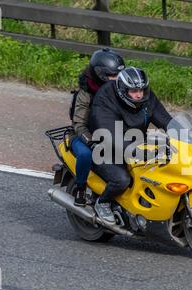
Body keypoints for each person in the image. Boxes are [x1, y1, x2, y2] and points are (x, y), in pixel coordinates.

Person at [89, 67, 172, 224]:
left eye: (141, 89)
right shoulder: (105, 98)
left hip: (135, 144)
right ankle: (103, 203)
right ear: (123, 89)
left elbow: (165, 119)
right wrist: (135, 151)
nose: (139, 94)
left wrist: (187, 135)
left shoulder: (145, 98)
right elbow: (109, 134)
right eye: (133, 91)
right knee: (122, 180)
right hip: (104, 148)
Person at [68, 48, 125, 206]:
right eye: (112, 75)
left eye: (118, 75)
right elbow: (78, 124)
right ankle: (80, 188)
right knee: (86, 155)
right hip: (84, 135)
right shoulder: (86, 93)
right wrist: (92, 142)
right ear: (100, 74)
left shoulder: (119, 90)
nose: (116, 79)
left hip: (109, 134)